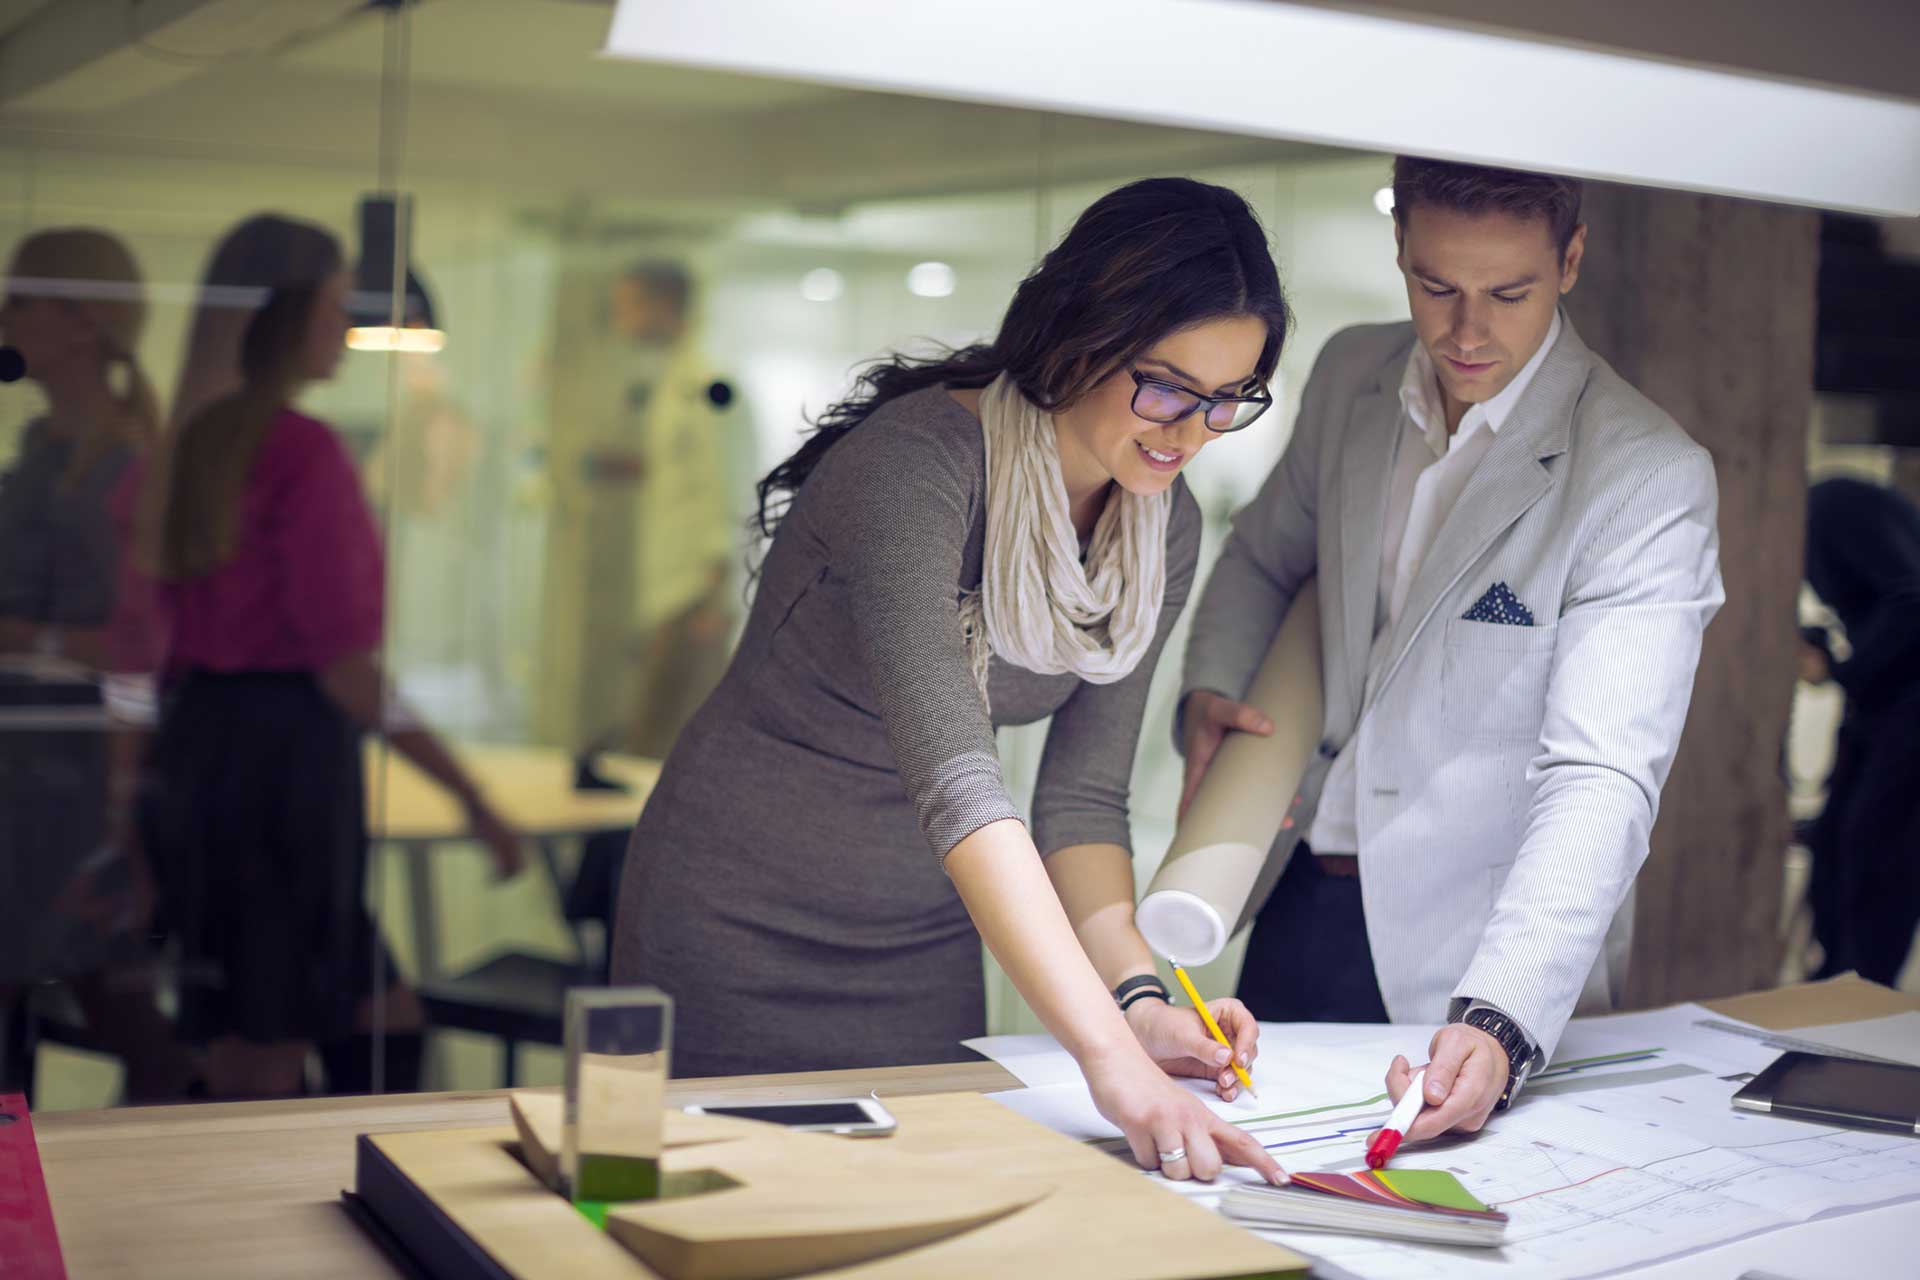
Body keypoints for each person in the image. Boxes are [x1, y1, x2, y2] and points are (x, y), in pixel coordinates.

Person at [615, 178, 1291, 1186]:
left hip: (922, 934)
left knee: (919, 1208)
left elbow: (1080, 800)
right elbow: (961, 781)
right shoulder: (916, 469)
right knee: (723, 1216)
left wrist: (1142, 1005)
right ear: (1080, 335)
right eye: (1165, 385)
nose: (1190, 430)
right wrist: (1106, 1056)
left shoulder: (1162, 523)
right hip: (736, 917)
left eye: (1227, 398)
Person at [1179, 157, 1723, 1144]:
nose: (1467, 332)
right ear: (1400, 250)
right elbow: (1262, 560)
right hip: (1295, 893)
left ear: (1571, 258)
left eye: (1507, 292)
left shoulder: (1647, 474)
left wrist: (1503, 1014)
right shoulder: (1351, 374)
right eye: (1437, 287)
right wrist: (1212, 687)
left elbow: (1602, 773)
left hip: (1476, 956)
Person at [115, 214, 524, 1099]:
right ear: (285, 315)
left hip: (204, 755)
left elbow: (146, 653)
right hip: (281, 768)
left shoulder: (197, 442)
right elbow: (345, 668)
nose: (347, 327)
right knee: (262, 1045)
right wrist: (472, 796)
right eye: (336, 304)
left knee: (370, 1012)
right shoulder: (300, 450)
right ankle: (255, 1220)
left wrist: (128, 814)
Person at [0, 228, 198, 1101]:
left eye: (20, 300)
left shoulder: (126, 466)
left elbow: (139, 643)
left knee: (80, 978)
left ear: (81, 323)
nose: (6, 316)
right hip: (29, 760)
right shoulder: (39, 458)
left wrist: (27, 639)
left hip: (70, 769)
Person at [1800, 475, 1920, 986]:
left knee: (1874, 854)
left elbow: (1910, 598)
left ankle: (1860, 1002)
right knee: (1836, 850)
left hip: (1908, 710)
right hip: (1882, 709)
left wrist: (1840, 671)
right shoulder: (1819, 515)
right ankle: (1836, 991)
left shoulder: (1831, 504)